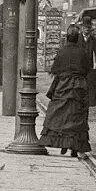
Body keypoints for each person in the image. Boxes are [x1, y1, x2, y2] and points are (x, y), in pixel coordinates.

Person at [38, 28, 92, 156]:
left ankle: (62, 143)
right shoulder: (82, 52)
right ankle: (75, 146)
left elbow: (55, 69)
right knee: (77, 115)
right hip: (78, 86)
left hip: (63, 85)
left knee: (59, 114)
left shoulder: (61, 52)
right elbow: (86, 69)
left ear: (67, 38)